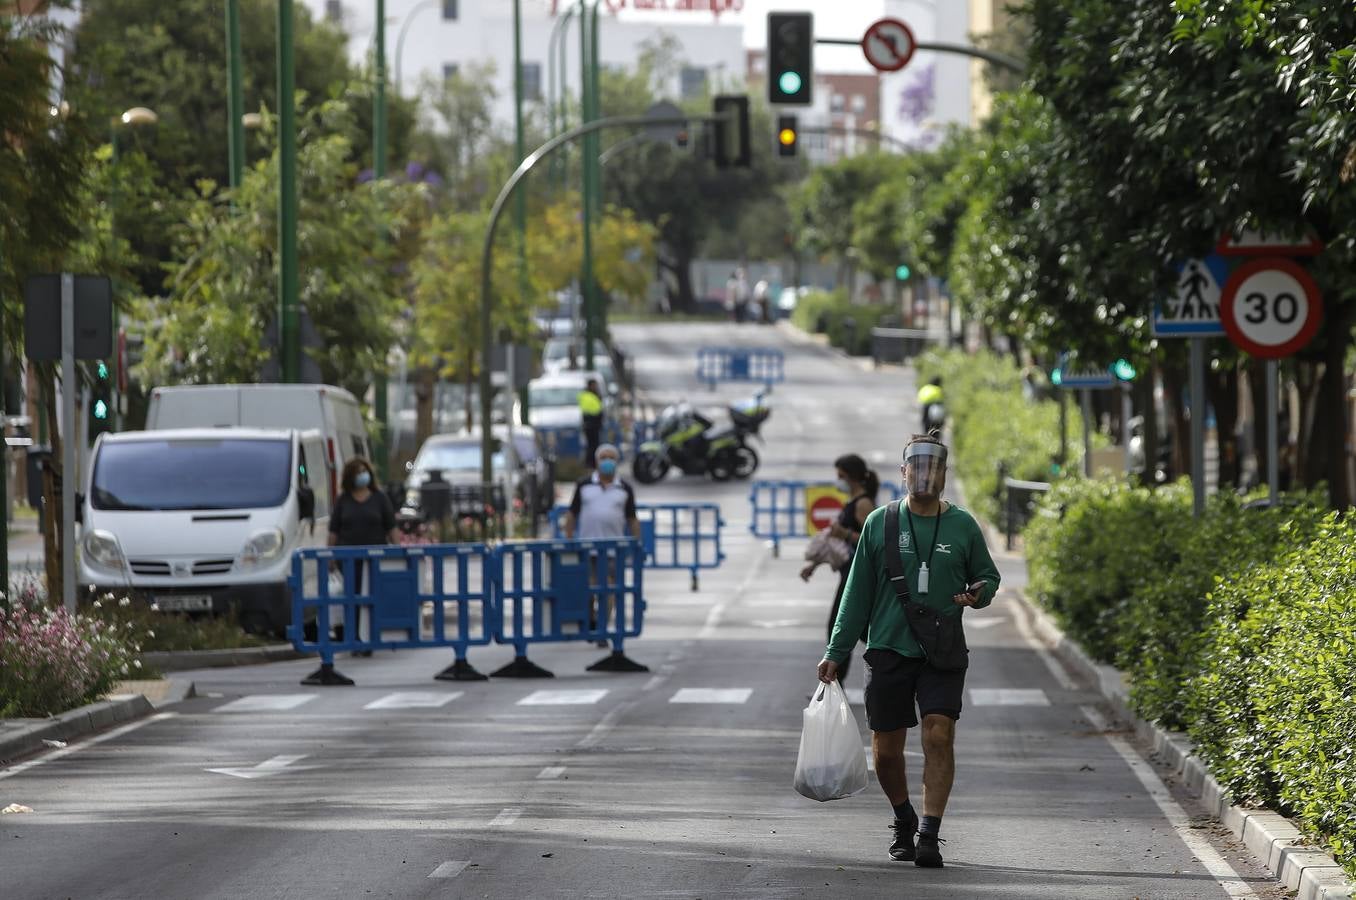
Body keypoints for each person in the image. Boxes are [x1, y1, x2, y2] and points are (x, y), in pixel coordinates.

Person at [817, 434, 1000, 869]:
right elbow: (856, 594)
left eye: (932, 467)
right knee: (886, 750)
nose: (923, 474)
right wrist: (836, 650)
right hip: (888, 649)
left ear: (943, 475)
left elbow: (988, 577)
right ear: (903, 473)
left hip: (941, 649)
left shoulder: (962, 526)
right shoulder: (881, 523)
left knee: (938, 733)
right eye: (915, 467)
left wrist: (978, 593)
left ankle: (929, 834)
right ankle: (903, 816)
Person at [800, 453, 879, 683]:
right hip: (848, 573)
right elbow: (838, 544)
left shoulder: (863, 503)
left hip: (857, 576)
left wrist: (844, 533)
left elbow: (872, 539)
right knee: (857, 629)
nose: (838, 481)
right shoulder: (853, 501)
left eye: (841, 476)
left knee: (841, 628)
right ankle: (838, 680)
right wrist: (814, 564)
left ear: (853, 477)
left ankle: (834, 680)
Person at [564, 444, 641, 646]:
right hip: (587, 548)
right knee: (589, 589)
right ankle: (591, 618)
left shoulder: (624, 488)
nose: (607, 461)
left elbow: (632, 518)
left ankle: (602, 629)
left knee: (608, 591)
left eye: (611, 458)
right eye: (603, 457)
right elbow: (572, 514)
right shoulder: (584, 485)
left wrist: (636, 543)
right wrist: (569, 539)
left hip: (613, 550)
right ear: (597, 462)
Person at [328, 457, 398, 655]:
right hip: (348, 560)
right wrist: (330, 556)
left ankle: (369, 639)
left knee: (371, 598)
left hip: (374, 558)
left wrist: (398, 551)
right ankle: (354, 639)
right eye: (357, 472)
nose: (361, 475)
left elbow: (391, 526)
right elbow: (334, 531)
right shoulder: (343, 500)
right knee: (352, 599)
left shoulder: (379, 498)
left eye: (363, 470)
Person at [578, 377, 604, 469]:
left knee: (594, 444)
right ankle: (591, 463)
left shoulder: (594, 394)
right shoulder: (589, 396)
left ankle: (592, 462)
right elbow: (593, 410)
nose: (595, 386)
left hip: (595, 424)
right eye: (594, 385)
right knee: (592, 445)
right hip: (591, 424)